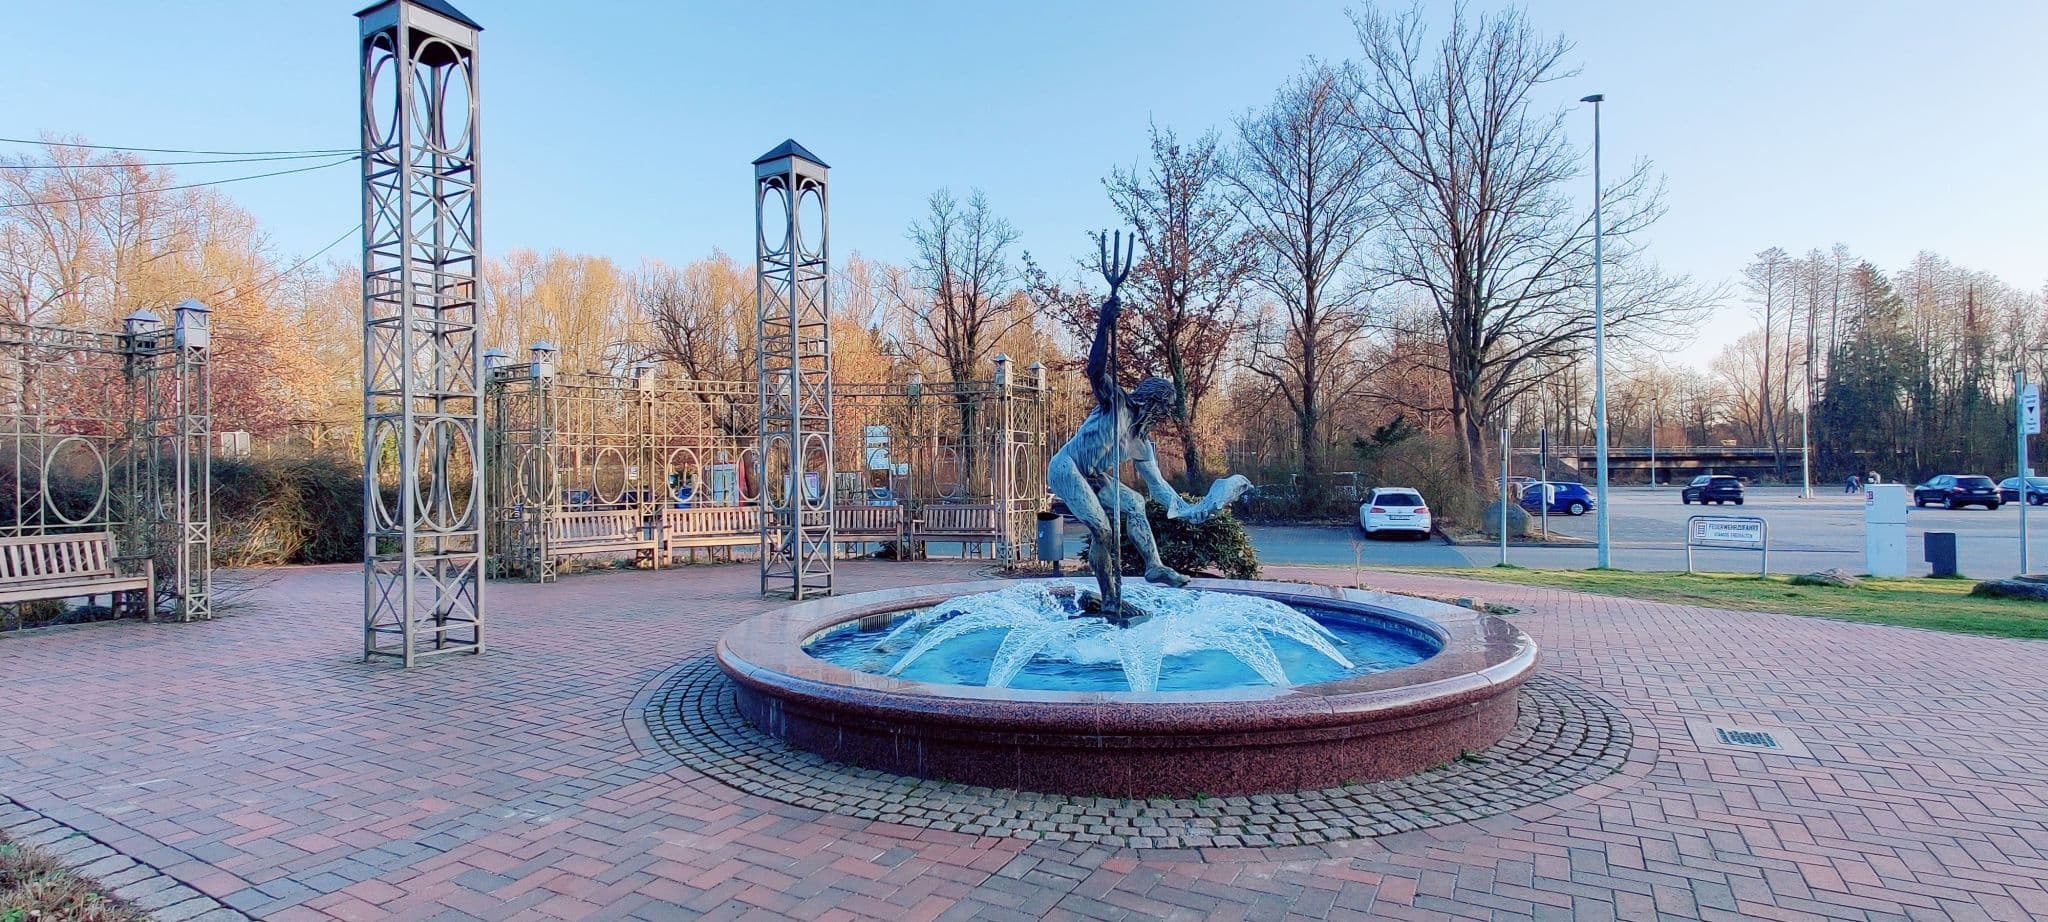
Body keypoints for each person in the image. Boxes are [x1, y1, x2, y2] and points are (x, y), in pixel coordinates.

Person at [1047, 287, 1249, 620]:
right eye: (1166, 408)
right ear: (1154, 403)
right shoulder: (1118, 402)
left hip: (1094, 477)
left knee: (1136, 504)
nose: (1167, 415)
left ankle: (1154, 566)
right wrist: (1103, 325)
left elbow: (1158, 488)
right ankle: (1110, 599)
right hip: (1067, 467)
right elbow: (1095, 371)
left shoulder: (1142, 442)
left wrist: (1191, 510)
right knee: (1103, 530)